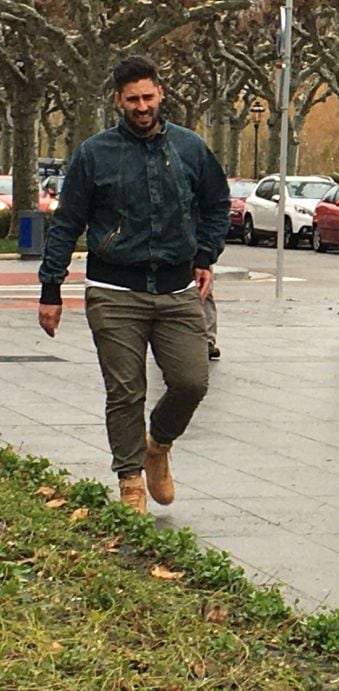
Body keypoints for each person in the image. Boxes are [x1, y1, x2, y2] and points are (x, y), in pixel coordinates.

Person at [38, 55, 230, 514]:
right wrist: (51, 290)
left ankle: (157, 445)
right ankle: (129, 482)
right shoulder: (94, 153)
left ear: (160, 94)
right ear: (118, 101)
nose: (142, 107)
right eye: (132, 100)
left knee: (190, 382)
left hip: (178, 289)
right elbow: (67, 223)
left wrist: (205, 254)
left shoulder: (190, 148)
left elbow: (216, 204)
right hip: (113, 292)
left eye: (148, 97)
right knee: (125, 390)